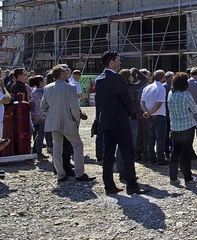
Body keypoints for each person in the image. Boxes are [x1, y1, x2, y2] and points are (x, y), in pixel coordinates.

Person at [95, 52, 149, 195]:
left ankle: (109, 185)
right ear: (111, 62)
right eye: (118, 60)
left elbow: (98, 103)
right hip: (120, 121)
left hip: (106, 121)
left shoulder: (99, 79)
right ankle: (132, 185)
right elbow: (125, 98)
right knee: (128, 153)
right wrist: (129, 112)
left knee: (108, 155)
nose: (120, 63)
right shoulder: (117, 78)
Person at [41, 64, 94, 183]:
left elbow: (43, 107)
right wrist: (76, 120)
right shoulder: (70, 87)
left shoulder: (48, 87)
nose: (68, 72)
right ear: (61, 73)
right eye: (65, 70)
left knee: (57, 147)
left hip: (54, 121)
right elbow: (74, 107)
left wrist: (50, 115)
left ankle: (60, 174)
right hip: (68, 121)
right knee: (77, 145)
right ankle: (79, 174)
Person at [167, 72, 197, 185]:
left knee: (175, 151)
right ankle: (188, 177)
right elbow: (194, 109)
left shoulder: (170, 93)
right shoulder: (186, 94)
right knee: (185, 152)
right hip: (187, 126)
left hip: (175, 127)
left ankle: (173, 176)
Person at [141, 70, 168, 165]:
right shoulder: (161, 88)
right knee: (160, 139)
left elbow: (142, 102)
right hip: (158, 115)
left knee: (150, 138)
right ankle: (160, 158)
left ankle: (151, 157)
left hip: (149, 116)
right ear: (162, 77)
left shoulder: (147, 88)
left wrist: (146, 112)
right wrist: (150, 112)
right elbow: (159, 103)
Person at [29, 75, 47, 159]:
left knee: (36, 133)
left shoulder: (33, 91)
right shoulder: (42, 92)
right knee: (41, 134)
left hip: (34, 115)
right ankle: (38, 151)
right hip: (42, 115)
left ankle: (35, 149)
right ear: (40, 82)